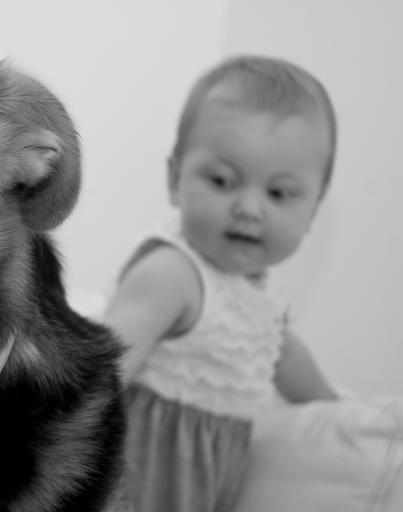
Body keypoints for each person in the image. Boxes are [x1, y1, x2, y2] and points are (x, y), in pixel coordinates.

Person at [104, 55, 339, 512]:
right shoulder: (174, 273)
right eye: (222, 181)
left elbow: (284, 355)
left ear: (313, 209)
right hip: (142, 464)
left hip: (208, 474)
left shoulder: (262, 293)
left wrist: (338, 409)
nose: (249, 208)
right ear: (175, 180)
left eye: (278, 193)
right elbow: (109, 360)